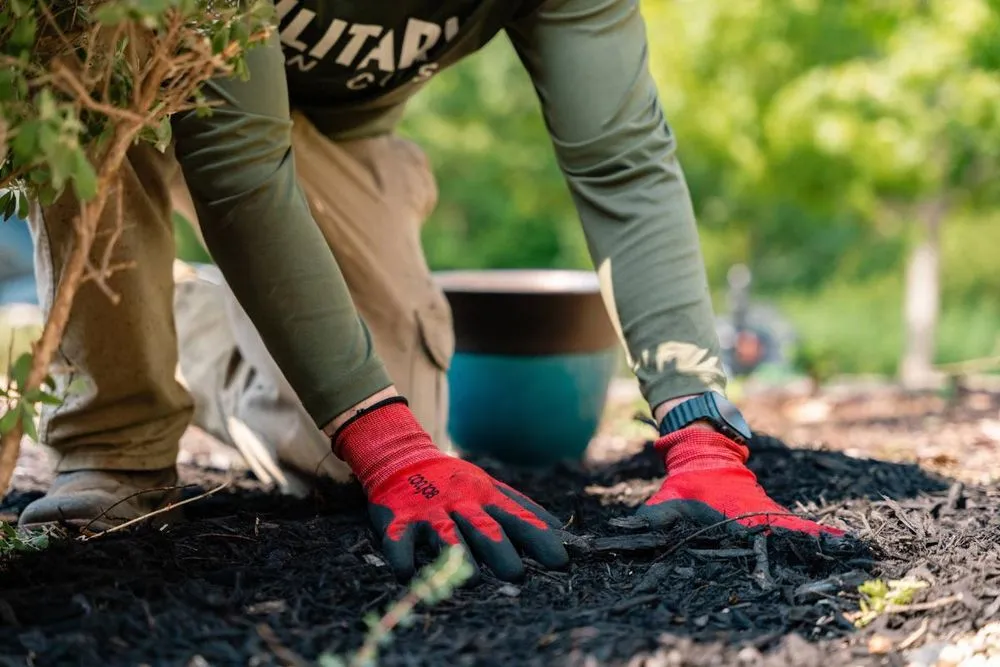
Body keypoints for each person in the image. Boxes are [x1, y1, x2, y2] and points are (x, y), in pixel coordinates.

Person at [17, 0, 844, 584]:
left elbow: (622, 162)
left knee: (342, 457)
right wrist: (388, 444)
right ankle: (113, 431)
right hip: (138, 87)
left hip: (322, 150)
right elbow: (238, 168)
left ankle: (187, 324)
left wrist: (701, 435)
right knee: (87, 40)